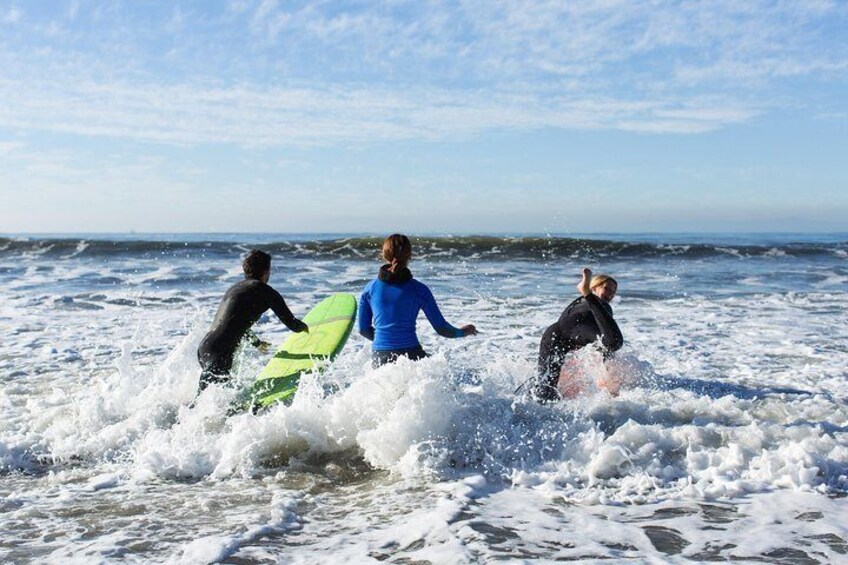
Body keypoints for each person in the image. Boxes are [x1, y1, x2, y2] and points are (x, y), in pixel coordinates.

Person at [359, 234, 478, 367]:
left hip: (380, 357)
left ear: (384, 254)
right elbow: (442, 329)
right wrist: (463, 332)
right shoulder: (419, 289)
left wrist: (386, 341)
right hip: (411, 355)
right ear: (409, 255)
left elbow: (363, 329)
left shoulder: (370, 289)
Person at [197, 249, 308, 391]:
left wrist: (257, 343)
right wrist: (310, 328)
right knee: (209, 403)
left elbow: (234, 324)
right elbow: (293, 324)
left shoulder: (235, 289)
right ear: (266, 271)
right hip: (219, 353)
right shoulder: (266, 292)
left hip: (205, 347)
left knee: (211, 399)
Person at [534, 268, 623, 402]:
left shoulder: (578, 304)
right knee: (614, 342)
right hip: (557, 336)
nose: (610, 294)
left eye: (613, 291)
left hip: (553, 336)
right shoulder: (602, 306)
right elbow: (606, 343)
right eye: (606, 288)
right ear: (593, 288)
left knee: (545, 388)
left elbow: (577, 330)